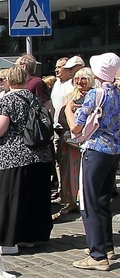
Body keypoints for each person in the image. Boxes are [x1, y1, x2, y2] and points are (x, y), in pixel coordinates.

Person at [0, 66, 53, 255]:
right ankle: (31, 236)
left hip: (13, 156)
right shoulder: (34, 98)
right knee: (33, 197)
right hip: (39, 154)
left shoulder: (7, 100)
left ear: (8, 80)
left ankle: (9, 240)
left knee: (9, 197)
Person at [66, 53, 120, 270]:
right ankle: (107, 246)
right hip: (113, 151)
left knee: (89, 202)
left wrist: (69, 110)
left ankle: (97, 255)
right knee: (103, 199)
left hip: (95, 150)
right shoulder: (117, 93)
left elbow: (76, 127)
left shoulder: (95, 94)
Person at [55, 67, 94, 218]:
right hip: (70, 141)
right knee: (68, 172)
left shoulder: (95, 95)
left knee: (83, 173)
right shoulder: (70, 95)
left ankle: (84, 202)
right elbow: (62, 116)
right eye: (77, 78)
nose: (79, 81)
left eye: (83, 78)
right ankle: (70, 202)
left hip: (87, 141)